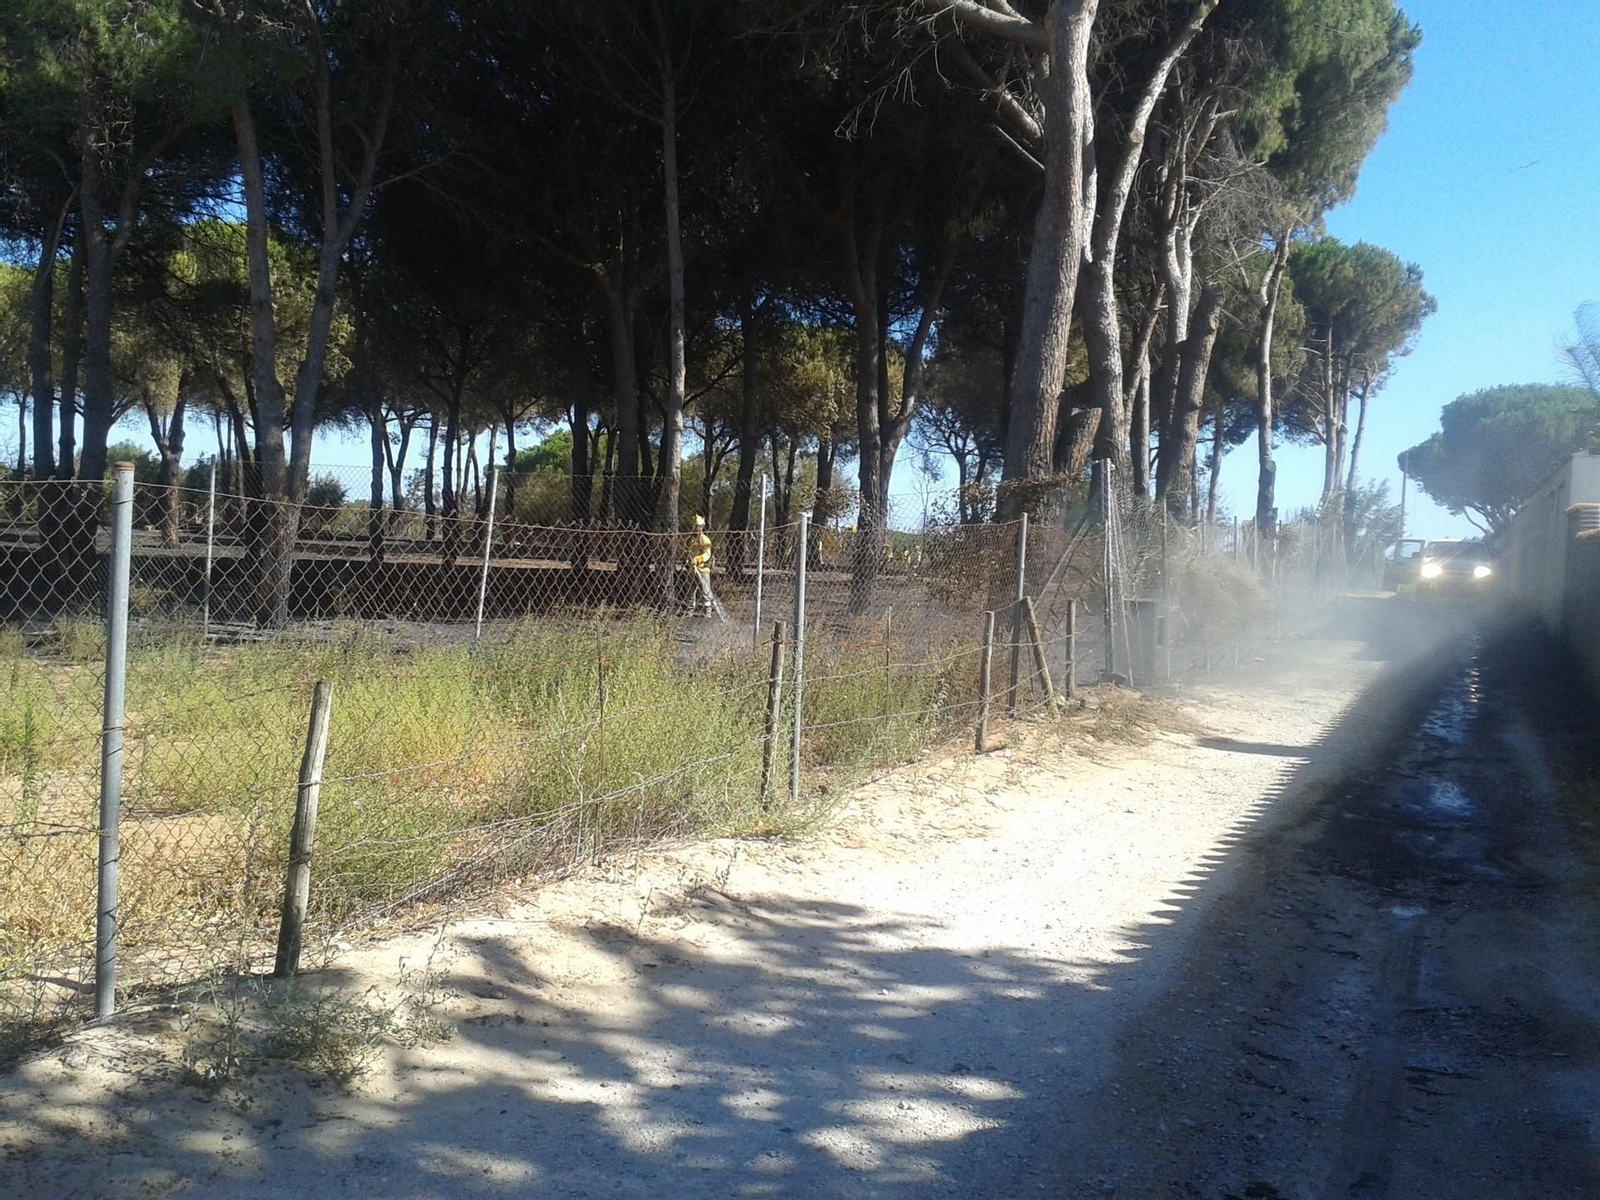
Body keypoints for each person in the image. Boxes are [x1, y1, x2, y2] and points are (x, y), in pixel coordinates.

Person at [687, 514, 715, 616]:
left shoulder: (705, 540)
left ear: (702, 527)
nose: (695, 528)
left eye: (698, 526)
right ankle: (689, 611)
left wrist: (698, 559)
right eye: (694, 526)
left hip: (703, 569)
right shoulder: (690, 540)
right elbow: (687, 551)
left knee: (705, 591)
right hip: (692, 569)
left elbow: (707, 554)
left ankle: (707, 612)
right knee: (691, 591)